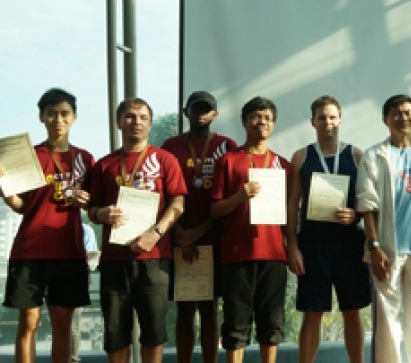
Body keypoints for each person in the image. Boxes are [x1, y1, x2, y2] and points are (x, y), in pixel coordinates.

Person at [87, 97, 187, 363]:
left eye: (143, 117)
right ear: (119, 122)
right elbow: (91, 209)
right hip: (114, 260)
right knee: (116, 333)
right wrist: (102, 213)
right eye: (130, 116)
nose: (136, 122)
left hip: (155, 259)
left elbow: (178, 202)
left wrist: (156, 233)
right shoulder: (104, 164)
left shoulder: (166, 160)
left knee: (154, 332)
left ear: (151, 124)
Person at [0, 88, 95, 363]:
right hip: (31, 252)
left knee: (62, 326)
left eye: (64, 114)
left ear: (74, 117)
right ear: (42, 117)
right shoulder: (30, 156)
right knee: (29, 323)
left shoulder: (85, 159)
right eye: (51, 114)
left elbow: (95, 207)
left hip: (70, 252)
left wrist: (86, 200)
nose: (58, 120)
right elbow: (22, 206)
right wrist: (4, 186)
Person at [356, 94, 411, 363]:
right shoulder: (374, 155)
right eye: (396, 113)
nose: (403, 117)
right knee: (387, 318)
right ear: (386, 119)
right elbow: (366, 205)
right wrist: (375, 246)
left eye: (408, 112)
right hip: (387, 251)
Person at [286, 95, 371, 363]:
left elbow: (366, 202)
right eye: (322, 117)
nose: (328, 122)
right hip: (312, 244)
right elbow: (292, 205)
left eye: (332, 117)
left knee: (352, 311)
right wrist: (292, 245)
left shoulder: (356, 155)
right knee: (312, 313)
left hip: (349, 244)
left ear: (340, 120)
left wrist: (355, 213)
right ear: (313, 122)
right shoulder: (301, 157)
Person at [210, 96, 291, 363]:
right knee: (236, 325)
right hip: (237, 255)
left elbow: (291, 214)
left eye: (267, 118)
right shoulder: (228, 161)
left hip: (274, 255)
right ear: (245, 122)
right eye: (256, 117)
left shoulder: (283, 165)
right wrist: (239, 198)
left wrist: (294, 248)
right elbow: (215, 210)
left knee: (272, 325)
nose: (262, 122)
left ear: (274, 125)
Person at [161, 91, 238, 363]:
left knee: (209, 309)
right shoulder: (170, 146)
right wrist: (181, 234)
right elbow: (164, 194)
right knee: (184, 310)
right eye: (196, 109)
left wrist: (198, 233)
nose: (201, 114)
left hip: (215, 239)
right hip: (179, 237)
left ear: (215, 114)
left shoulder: (228, 146)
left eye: (207, 109)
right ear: (186, 112)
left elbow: (229, 197)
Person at [70, 222, 100, 362]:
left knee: (73, 327)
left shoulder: (85, 230)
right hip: (52, 279)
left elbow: (91, 259)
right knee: (60, 326)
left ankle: (73, 360)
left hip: (76, 281)